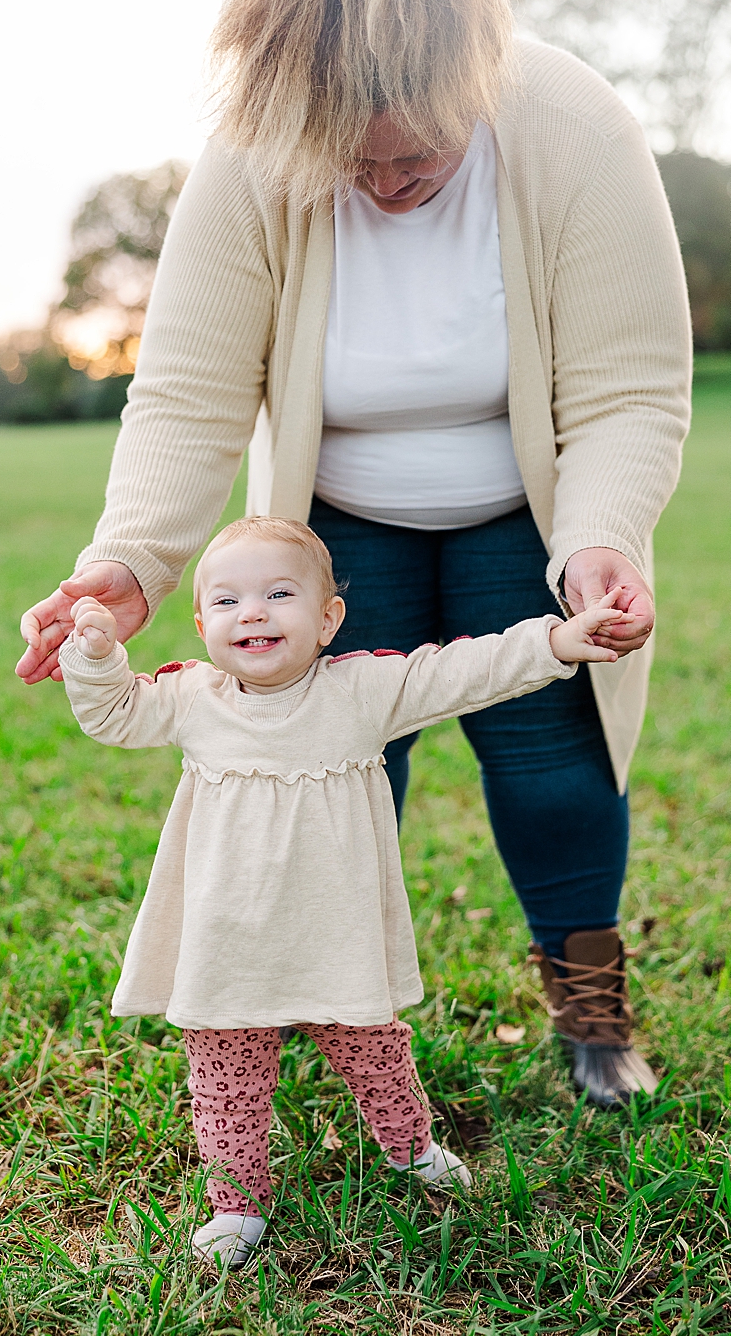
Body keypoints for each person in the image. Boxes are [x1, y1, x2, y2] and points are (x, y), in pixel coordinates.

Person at [16, 0, 692, 1107]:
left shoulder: (577, 127)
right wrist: (131, 560)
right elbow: (190, 392)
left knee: (551, 760)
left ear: (472, 71)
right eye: (352, 161)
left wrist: (600, 540)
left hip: (528, 513)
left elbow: (629, 385)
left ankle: (591, 1012)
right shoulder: (252, 151)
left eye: (412, 153)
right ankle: (303, 998)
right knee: (320, 765)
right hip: (332, 525)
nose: (383, 184)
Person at [59, 516, 631, 1267]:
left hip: (335, 934)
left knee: (376, 1053)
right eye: (226, 602)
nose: (252, 612)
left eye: (279, 593)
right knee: (226, 1080)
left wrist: (555, 643)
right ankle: (237, 1203)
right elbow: (112, 712)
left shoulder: (363, 690)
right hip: (226, 942)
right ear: (201, 624)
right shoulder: (192, 698)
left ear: (329, 618)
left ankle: (411, 1146)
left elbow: (461, 670)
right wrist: (97, 656)